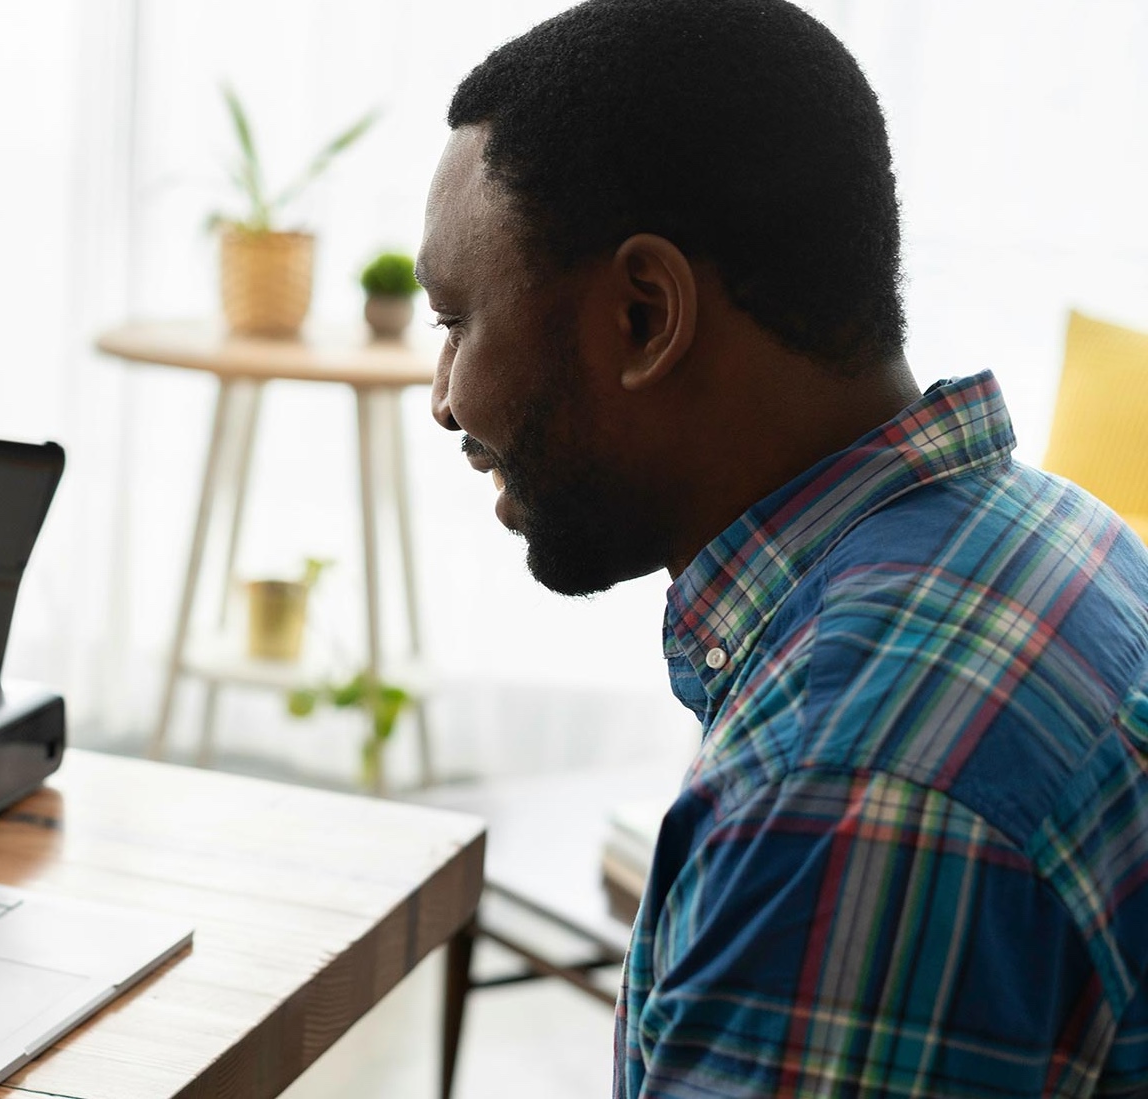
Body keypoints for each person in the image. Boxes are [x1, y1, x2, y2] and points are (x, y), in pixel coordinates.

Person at [418, 1, 1148, 1094]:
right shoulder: (1063, 536)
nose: (443, 400)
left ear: (644, 316)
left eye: (456, 322)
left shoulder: (839, 792)